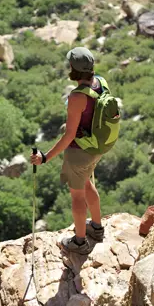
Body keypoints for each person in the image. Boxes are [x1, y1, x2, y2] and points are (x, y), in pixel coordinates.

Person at [31, 47, 107, 255]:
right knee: (88, 184)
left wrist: (45, 157)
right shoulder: (100, 83)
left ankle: (80, 242)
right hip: (96, 147)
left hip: (79, 153)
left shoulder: (77, 97)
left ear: (73, 68)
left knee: (77, 196)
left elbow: (68, 136)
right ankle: (97, 228)